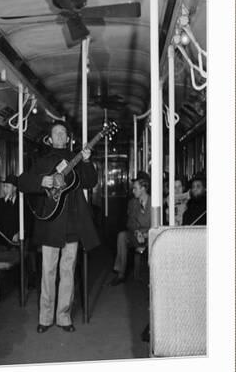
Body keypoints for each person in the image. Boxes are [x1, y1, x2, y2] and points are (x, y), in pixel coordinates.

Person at [19, 122, 99, 333]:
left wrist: (88, 160)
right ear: (50, 139)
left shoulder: (78, 159)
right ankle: (45, 318)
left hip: (72, 224)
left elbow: (91, 182)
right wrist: (40, 181)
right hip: (50, 224)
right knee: (48, 272)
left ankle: (63, 317)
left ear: (68, 138)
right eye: (56, 133)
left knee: (68, 272)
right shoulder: (42, 162)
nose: (61, 136)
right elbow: (23, 182)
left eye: (64, 132)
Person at [110, 176, 151, 286]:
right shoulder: (132, 203)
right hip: (136, 234)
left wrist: (146, 234)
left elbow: (156, 224)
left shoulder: (154, 202)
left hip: (150, 234)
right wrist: (137, 232)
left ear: (143, 188)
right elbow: (130, 222)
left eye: (135, 188)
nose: (133, 191)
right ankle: (120, 274)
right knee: (122, 236)